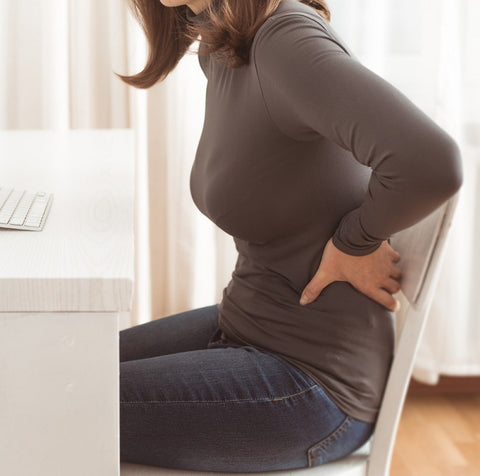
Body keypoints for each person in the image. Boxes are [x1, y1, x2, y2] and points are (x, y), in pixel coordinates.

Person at [119, 0, 463, 472]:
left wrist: (353, 241)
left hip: (314, 383)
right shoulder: (221, 44)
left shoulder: (284, 41)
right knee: (50, 370)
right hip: (247, 323)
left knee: (49, 401)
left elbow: (432, 162)